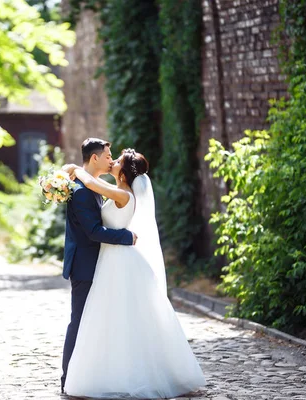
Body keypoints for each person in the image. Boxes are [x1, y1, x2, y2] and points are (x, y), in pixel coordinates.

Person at [61, 148, 206, 399]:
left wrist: (74, 170)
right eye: (110, 158)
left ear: (125, 175)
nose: (112, 162)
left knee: (121, 318)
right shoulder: (120, 190)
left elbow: (90, 182)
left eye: (116, 161)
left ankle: (129, 373)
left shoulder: (121, 194)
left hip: (119, 259)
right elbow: (94, 186)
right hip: (110, 260)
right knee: (114, 320)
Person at [60, 138, 138, 393]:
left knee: (99, 323)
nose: (111, 159)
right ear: (95, 158)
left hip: (104, 265)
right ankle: (68, 378)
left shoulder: (94, 186)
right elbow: (93, 232)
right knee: (79, 321)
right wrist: (128, 237)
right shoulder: (82, 191)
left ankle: (94, 375)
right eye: (107, 156)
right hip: (85, 265)